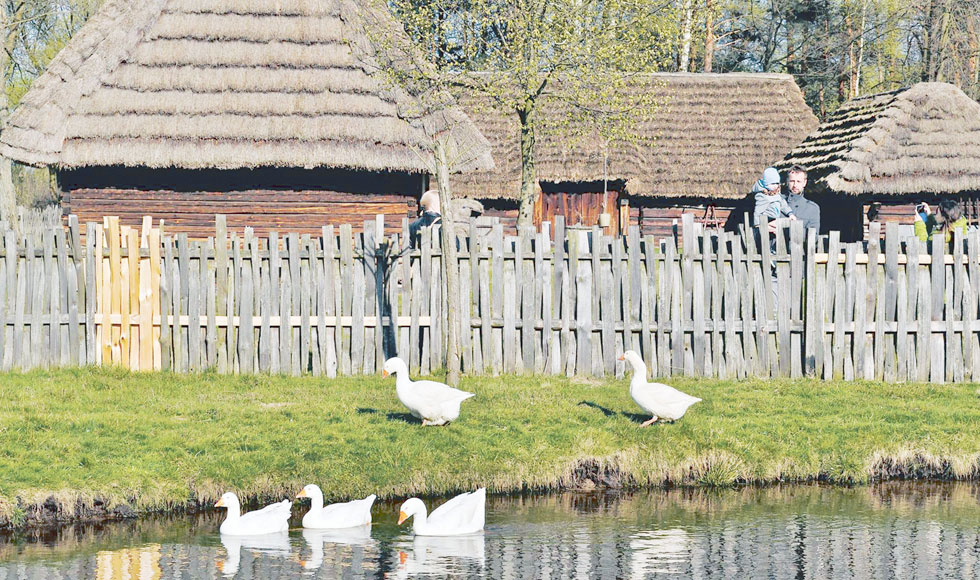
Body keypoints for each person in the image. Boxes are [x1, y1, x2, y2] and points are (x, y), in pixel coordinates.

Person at [752, 167, 796, 232]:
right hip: (766, 219)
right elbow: (758, 211)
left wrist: (790, 213)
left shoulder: (777, 194)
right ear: (766, 184)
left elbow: (783, 205)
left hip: (775, 218)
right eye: (772, 183)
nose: (775, 186)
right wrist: (757, 224)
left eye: (777, 183)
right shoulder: (762, 196)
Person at [783, 165, 820, 232]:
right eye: (792, 181)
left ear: (804, 183)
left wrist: (789, 230)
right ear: (787, 181)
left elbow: (813, 236)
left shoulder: (812, 208)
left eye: (798, 181)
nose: (795, 185)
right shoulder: (778, 202)